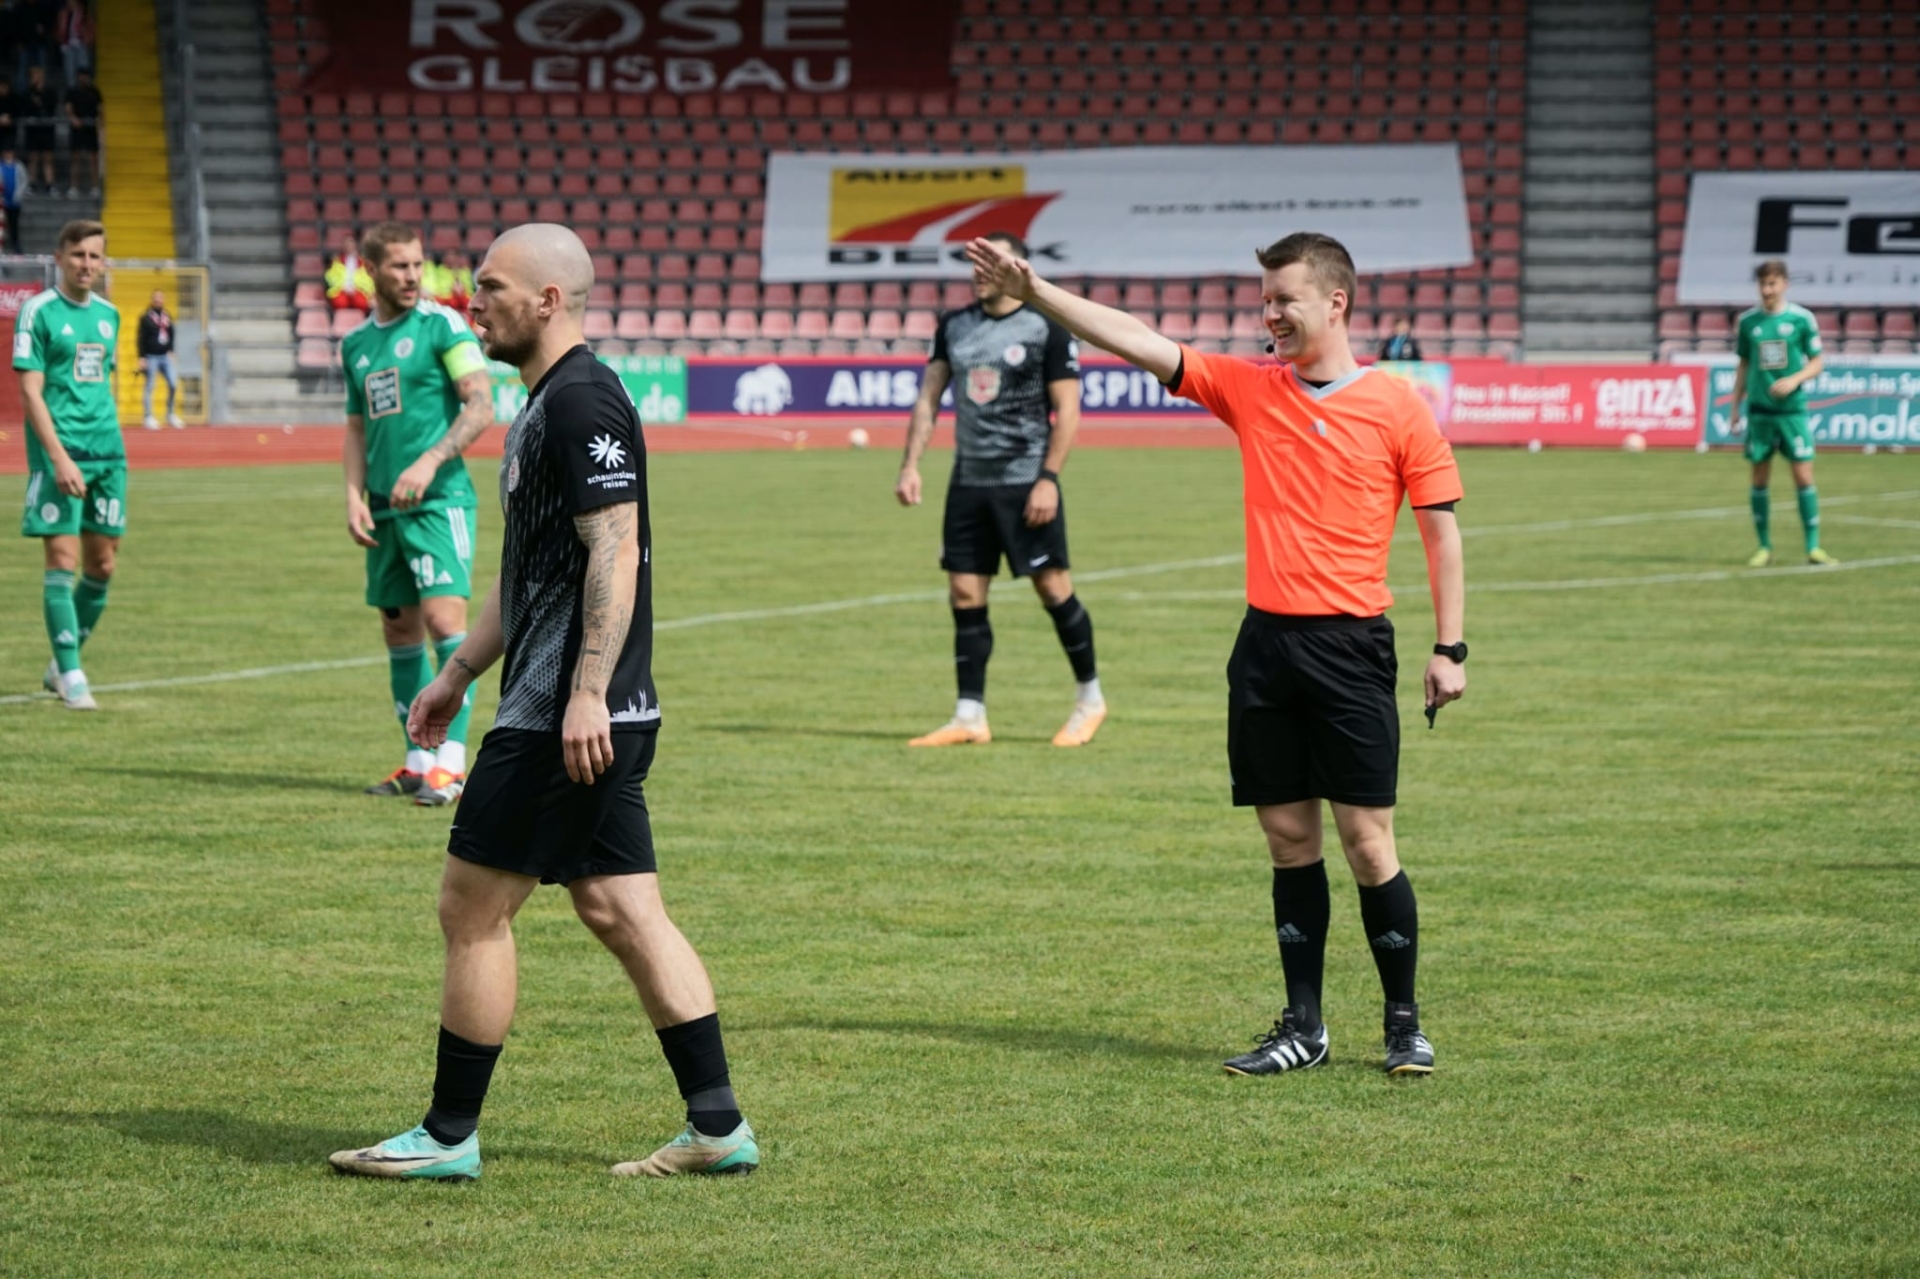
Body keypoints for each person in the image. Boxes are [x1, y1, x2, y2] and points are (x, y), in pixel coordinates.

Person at [965, 231, 1467, 1077]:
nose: (1269, 314)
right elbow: (1133, 336)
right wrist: (1039, 289)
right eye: (1264, 299)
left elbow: (1441, 535)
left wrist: (1449, 646)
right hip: (1266, 645)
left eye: (1285, 299)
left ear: (1336, 302)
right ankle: (1304, 1026)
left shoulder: (1398, 406)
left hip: (1351, 646)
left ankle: (1403, 1022)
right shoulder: (1251, 388)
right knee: (1285, 838)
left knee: (1369, 843)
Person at [329, 223, 759, 1183]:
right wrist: (456, 673)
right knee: (621, 908)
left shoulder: (579, 400)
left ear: (549, 299)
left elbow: (615, 544)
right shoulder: (541, 405)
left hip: (566, 716)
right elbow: (532, 576)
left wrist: (586, 693)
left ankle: (447, 1135)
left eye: (488, 286)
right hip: (574, 706)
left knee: (471, 906)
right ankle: (719, 1125)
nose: (471, 300)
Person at [894, 229, 1102, 748]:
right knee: (964, 593)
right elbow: (929, 397)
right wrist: (911, 465)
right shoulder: (954, 325)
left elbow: (1068, 410)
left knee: (1053, 589)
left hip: (1025, 481)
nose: (979, 271)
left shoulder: (1046, 327)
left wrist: (1048, 479)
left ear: (1019, 270)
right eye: (977, 263)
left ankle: (1089, 699)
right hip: (968, 482)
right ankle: (970, 716)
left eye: (993, 263)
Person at [339, 221, 495, 806]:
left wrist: (430, 461)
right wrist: (354, 496)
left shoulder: (442, 325)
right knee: (397, 628)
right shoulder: (355, 346)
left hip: (438, 501)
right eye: (399, 266)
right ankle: (416, 760)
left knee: (443, 620)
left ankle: (452, 765)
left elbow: (480, 404)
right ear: (371, 270)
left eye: (417, 264)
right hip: (383, 509)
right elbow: (356, 429)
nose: (411, 276)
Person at [15, 218, 121, 711]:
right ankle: (73, 673)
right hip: (61, 454)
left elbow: (101, 382)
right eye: (78, 254)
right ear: (58, 257)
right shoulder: (37, 311)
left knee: (102, 564)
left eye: (95, 257)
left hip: (108, 453)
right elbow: (30, 391)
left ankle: (60, 665)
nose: (87, 265)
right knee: (62, 560)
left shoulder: (109, 315)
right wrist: (58, 458)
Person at [1733, 259, 1834, 567]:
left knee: (1803, 475)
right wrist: (1734, 407)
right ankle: (1764, 547)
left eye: (1772, 284)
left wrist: (1794, 379)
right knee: (1759, 477)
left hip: (1792, 412)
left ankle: (1813, 548)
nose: (1767, 290)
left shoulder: (1802, 319)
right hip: (1760, 412)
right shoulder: (1749, 323)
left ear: (1785, 284)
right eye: (1763, 284)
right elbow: (1744, 365)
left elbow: (1817, 363)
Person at [136, 289, 180, 428]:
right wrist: (142, 357)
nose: (158, 301)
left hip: (165, 356)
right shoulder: (146, 317)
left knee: (173, 384)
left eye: (160, 298)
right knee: (150, 386)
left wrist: (171, 350)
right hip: (151, 356)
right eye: (156, 298)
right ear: (152, 300)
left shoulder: (167, 316)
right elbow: (140, 338)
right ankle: (148, 416)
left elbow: (172, 334)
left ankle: (170, 414)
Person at [61, 64, 96, 197]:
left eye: (85, 76)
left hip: (90, 128)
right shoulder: (72, 91)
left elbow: (100, 108)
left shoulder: (94, 91)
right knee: (75, 158)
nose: (83, 78)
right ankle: (74, 187)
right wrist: (73, 119)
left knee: (93, 158)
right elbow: (68, 107)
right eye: (81, 76)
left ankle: (94, 187)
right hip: (76, 127)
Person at [20, 63, 53, 194]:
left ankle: (49, 185)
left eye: (38, 75)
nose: (36, 78)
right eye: (33, 75)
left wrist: (39, 101)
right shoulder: (27, 93)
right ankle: (31, 184)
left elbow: (51, 106)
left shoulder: (49, 92)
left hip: (47, 129)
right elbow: (23, 108)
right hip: (32, 130)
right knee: (33, 157)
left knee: (47, 158)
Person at [325, 232, 372, 312]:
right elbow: (330, 277)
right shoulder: (336, 262)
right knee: (340, 303)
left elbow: (368, 280)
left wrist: (357, 288)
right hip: (341, 291)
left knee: (361, 303)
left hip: (358, 291)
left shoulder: (364, 263)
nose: (349, 246)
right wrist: (343, 287)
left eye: (351, 243)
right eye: (346, 244)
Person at [0, 140, 27, 253]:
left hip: (14, 200)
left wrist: (18, 194)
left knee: (13, 223)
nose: (8, 154)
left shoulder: (19, 166)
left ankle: (15, 243)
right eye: (6, 152)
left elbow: (24, 181)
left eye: (10, 152)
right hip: (2, 201)